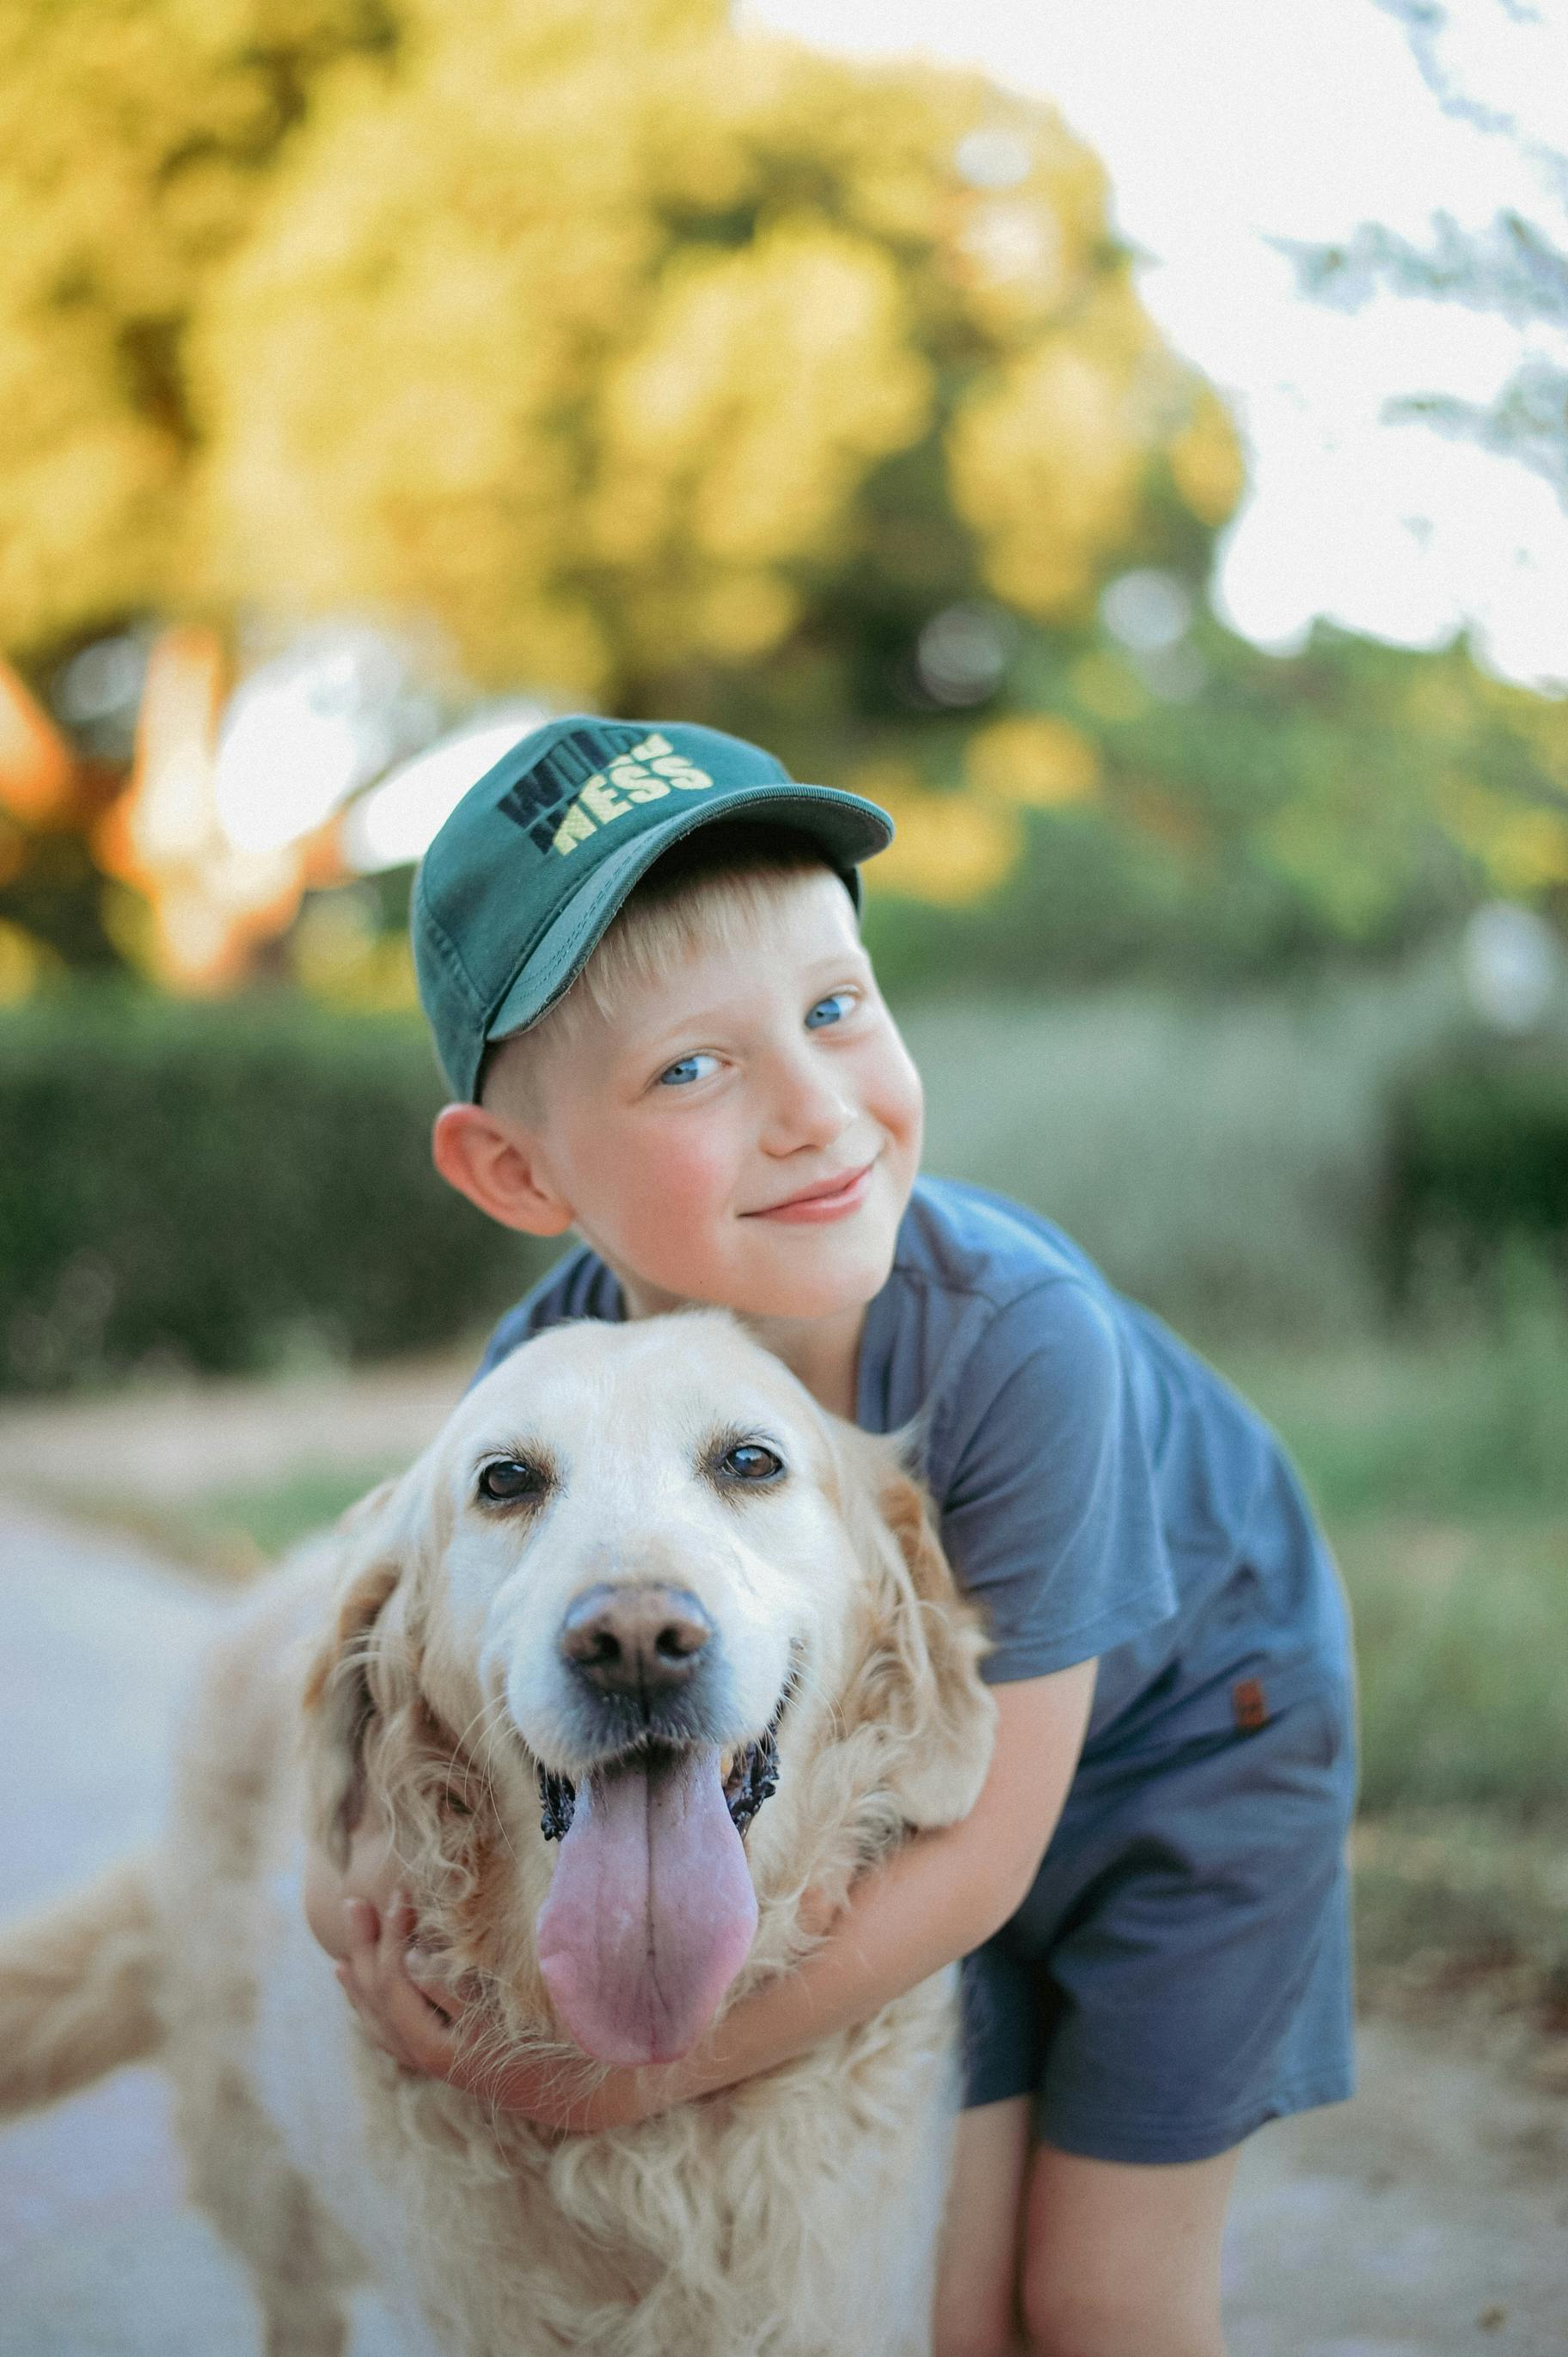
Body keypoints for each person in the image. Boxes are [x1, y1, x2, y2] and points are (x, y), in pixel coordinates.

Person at [305, 715, 1358, 2357]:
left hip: (1193, 1746)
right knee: (943, 2295)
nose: (818, 1109)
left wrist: (598, 2079)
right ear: (515, 1169)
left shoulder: (1022, 1340)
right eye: (694, 1066)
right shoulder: (543, 1391)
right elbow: (426, 1636)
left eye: (834, 1009)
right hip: (898, 1789)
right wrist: (354, 1878)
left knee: (1098, 2298)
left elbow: (985, 1861)